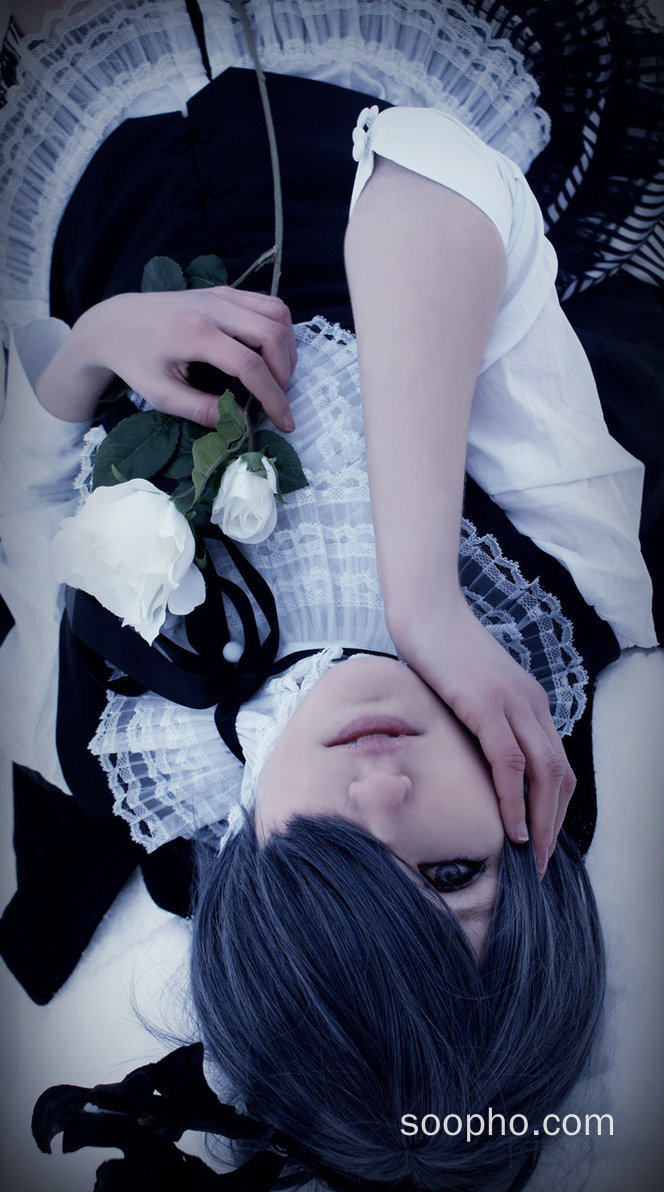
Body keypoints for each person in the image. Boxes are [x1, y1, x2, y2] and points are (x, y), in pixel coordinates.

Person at [0, 2, 662, 1189]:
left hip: (96, 175)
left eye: (336, 866)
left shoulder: (110, 749)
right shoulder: (563, 597)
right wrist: (423, 599)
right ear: (534, 844)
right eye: (452, 874)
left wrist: (96, 345)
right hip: (336, 71)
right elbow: (423, 173)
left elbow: (26, 488)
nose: (384, 790)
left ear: (245, 889)